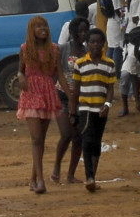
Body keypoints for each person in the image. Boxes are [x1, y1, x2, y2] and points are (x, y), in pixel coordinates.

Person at [16, 15, 66, 193]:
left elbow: (59, 74)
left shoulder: (54, 49)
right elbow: (20, 71)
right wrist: (21, 77)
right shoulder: (25, 49)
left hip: (47, 95)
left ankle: (33, 178)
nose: (42, 29)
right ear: (31, 30)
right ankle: (41, 181)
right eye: (38, 26)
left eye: (44, 25)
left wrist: (70, 93)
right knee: (36, 138)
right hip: (31, 94)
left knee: (41, 140)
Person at [70, 29, 117, 191]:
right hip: (85, 108)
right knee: (87, 140)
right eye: (92, 42)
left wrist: (107, 105)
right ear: (87, 44)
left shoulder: (109, 64)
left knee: (96, 141)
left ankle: (92, 177)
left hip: (101, 109)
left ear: (104, 44)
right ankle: (89, 176)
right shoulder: (80, 64)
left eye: (99, 42)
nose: (96, 45)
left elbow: (110, 88)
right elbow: (76, 89)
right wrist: (73, 111)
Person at [52, 16, 90, 183]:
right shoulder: (63, 49)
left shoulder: (88, 52)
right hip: (62, 95)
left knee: (78, 137)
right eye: (80, 31)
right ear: (73, 32)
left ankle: (71, 174)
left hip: (81, 98)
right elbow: (57, 74)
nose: (83, 34)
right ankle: (57, 166)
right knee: (66, 133)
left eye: (85, 30)